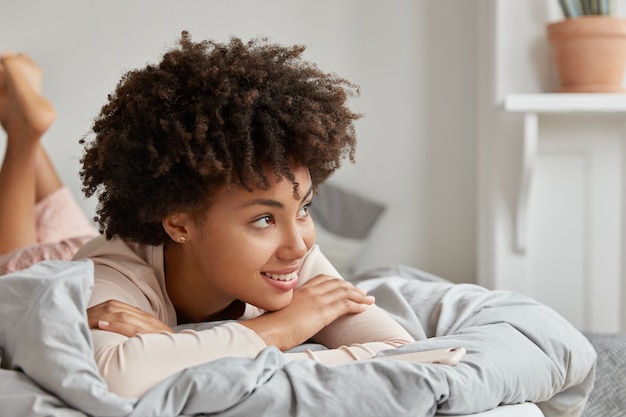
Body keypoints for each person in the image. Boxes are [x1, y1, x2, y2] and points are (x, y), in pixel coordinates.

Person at [73, 32, 422, 399]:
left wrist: (175, 347)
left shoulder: (293, 260)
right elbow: (116, 379)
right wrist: (285, 327)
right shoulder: (111, 273)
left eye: (304, 209)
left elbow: (403, 354)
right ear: (179, 222)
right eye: (263, 220)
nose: (298, 246)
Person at [0, 51, 97, 275]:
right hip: (79, 270)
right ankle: (17, 121)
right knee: (13, 276)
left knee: (57, 223)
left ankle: (12, 114)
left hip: (90, 248)